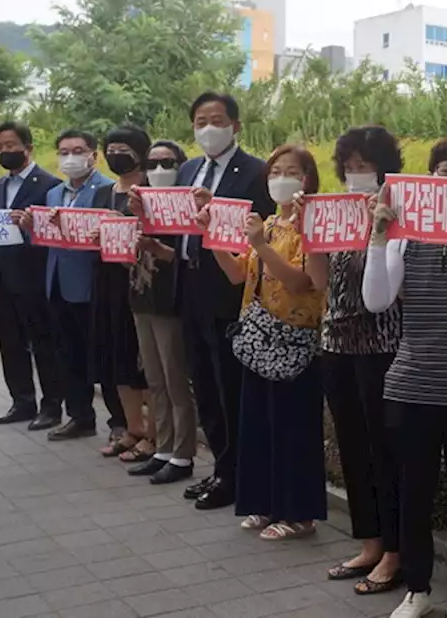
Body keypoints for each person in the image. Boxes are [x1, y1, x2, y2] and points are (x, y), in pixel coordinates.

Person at [364, 135, 447, 617]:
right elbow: (376, 300)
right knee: (413, 493)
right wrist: (379, 235)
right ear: (429, 178)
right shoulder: (408, 237)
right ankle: (417, 590)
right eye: (446, 173)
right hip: (411, 386)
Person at [130, 92, 276, 511]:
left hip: (230, 292)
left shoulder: (256, 172)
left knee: (230, 388)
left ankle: (238, 475)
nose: (207, 128)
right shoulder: (189, 169)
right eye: (199, 121)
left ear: (235, 125)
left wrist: (219, 212)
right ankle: (220, 470)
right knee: (205, 388)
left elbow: (258, 235)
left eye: (216, 120)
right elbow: (179, 229)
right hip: (188, 286)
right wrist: (148, 220)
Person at [203, 144, 329, 540]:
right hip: (258, 338)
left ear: (308, 180)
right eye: (275, 172)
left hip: (295, 340)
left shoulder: (311, 226)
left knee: (294, 427)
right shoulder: (268, 224)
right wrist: (214, 237)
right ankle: (263, 502)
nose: (281, 178)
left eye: (292, 171)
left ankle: (299, 513)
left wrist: (259, 244)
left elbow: (301, 281)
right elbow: (239, 275)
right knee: (258, 424)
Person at [320, 127, 404, 594]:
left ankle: (395, 551)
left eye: (364, 165)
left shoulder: (401, 212)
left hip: (382, 347)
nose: (355, 174)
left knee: (384, 452)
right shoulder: (333, 211)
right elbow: (320, 281)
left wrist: (381, 227)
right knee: (351, 448)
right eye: (348, 166)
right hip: (336, 344)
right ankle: (370, 542)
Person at [24, 130, 122, 442]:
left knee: (103, 356)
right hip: (58, 282)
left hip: (93, 283)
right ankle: (80, 416)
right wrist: (30, 227)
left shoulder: (107, 190)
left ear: (94, 155)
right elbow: (46, 239)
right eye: (64, 151)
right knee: (68, 354)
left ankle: (119, 422)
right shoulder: (55, 193)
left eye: (78, 150)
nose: (70, 158)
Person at [127, 140, 198, 485]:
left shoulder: (190, 205)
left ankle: (183, 454)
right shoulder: (140, 202)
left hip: (172, 301)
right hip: (142, 297)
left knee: (175, 381)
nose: (158, 170)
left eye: (167, 162)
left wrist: (158, 247)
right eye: (152, 163)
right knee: (155, 380)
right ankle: (163, 448)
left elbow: (187, 255)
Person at [0, 122, 64, 429]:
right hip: (2, 276)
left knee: (43, 343)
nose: (4, 151)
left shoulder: (49, 185)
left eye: (10, 145)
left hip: (34, 276)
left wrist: (32, 227)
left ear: (28, 147)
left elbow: (53, 234)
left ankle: (52, 406)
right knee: (10, 343)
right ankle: (22, 401)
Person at [91, 125, 155, 463]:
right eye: (111, 148)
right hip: (107, 284)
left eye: (124, 149)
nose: (117, 154)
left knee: (143, 363)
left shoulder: (151, 190)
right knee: (116, 359)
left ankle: (155, 434)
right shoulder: (104, 192)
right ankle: (132, 430)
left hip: (141, 285)